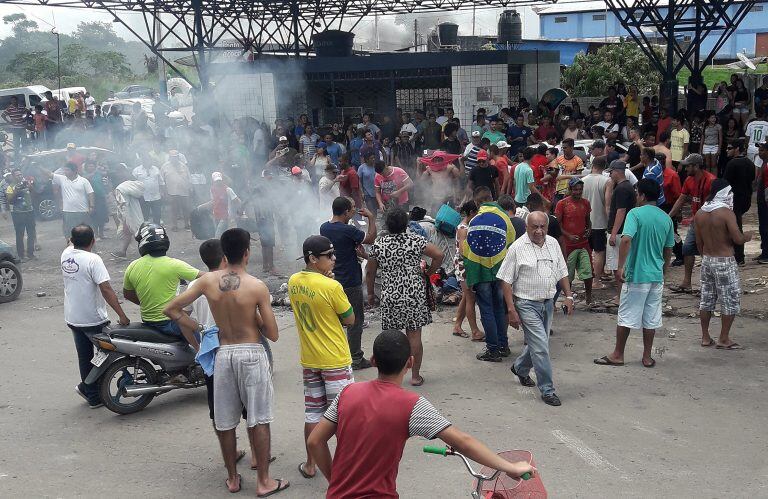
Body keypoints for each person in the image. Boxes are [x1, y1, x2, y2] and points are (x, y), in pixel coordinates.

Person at [306, 330, 536, 497]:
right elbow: (463, 442)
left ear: (374, 361)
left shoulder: (348, 392)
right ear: (410, 362)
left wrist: (335, 480)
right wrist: (511, 467)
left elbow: (315, 441)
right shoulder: (412, 405)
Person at [164, 228, 286, 496]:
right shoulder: (256, 286)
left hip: (223, 353)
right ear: (246, 253)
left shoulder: (207, 281)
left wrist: (200, 327)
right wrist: (253, 317)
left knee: (225, 421)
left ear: (224, 252)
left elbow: (170, 309)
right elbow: (273, 334)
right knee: (259, 419)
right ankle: (264, 481)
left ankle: (232, 478)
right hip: (251, 353)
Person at [287, 235, 357, 480]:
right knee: (343, 418)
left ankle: (311, 464)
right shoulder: (332, 287)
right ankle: (346, 469)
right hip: (335, 359)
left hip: (310, 360)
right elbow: (349, 319)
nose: (334, 259)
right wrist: (331, 285)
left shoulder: (293, 281)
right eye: (329, 256)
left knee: (313, 415)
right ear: (313, 259)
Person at [594, 179, 674, 368]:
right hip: (655, 275)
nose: (636, 197)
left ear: (643, 195)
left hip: (636, 274)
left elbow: (626, 240)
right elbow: (668, 248)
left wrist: (620, 266)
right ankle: (647, 357)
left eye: (637, 193)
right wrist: (664, 270)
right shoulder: (666, 218)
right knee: (651, 317)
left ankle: (618, 354)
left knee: (626, 315)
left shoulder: (635, 214)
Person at [498, 211, 574, 407]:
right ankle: (547, 390)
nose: (539, 231)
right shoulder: (517, 247)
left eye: (543, 227)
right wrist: (511, 310)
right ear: (527, 227)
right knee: (541, 347)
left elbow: (562, 271)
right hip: (526, 303)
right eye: (535, 227)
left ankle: (520, 368)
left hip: (548, 303)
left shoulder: (553, 244)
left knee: (540, 342)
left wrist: (569, 296)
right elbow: (505, 281)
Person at [366, 209, 444, 385]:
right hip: (413, 294)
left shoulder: (380, 244)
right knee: (414, 335)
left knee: (391, 338)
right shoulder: (415, 240)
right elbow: (439, 255)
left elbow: (370, 271)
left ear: (387, 225)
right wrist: (429, 272)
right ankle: (415, 376)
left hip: (390, 294)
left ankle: (390, 377)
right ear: (406, 225)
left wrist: (371, 293)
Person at [62, 225, 130, 409]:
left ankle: (91, 393)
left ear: (73, 240)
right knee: (109, 354)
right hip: (93, 319)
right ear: (93, 241)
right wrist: (122, 315)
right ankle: (90, 388)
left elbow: (70, 241)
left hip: (73, 317)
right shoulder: (93, 260)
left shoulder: (66, 254)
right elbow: (106, 289)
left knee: (85, 356)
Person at [123, 223, 203, 349]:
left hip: (148, 320)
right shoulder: (174, 264)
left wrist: (148, 303)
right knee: (205, 339)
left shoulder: (133, 266)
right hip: (169, 322)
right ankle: (203, 363)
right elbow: (207, 278)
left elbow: (127, 294)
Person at [320, 197, 377, 370]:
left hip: (332, 279)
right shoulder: (349, 230)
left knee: (334, 320)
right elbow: (371, 238)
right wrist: (371, 218)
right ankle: (356, 358)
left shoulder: (324, 227)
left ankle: (335, 355)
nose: (355, 210)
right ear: (345, 211)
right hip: (350, 281)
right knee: (355, 321)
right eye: (352, 208)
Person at [695, 181, 751, 350]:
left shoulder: (700, 213)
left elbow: (699, 242)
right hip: (724, 260)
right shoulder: (726, 213)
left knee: (706, 299)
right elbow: (737, 238)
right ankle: (724, 338)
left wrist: (706, 254)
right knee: (729, 299)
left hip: (707, 260)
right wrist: (747, 236)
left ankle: (705, 337)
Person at [463, 187, 516, 362]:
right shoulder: (504, 218)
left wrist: (470, 276)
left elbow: (469, 250)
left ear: (477, 203)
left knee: (486, 310)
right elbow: (511, 242)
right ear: (492, 198)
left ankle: (492, 350)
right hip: (501, 272)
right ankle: (503, 345)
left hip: (481, 272)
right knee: (500, 308)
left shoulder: (474, 221)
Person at [668, 154, 715, 293]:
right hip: (696, 221)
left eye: (688, 165)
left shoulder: (711, 181)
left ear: (696, 166)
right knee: (687, 249)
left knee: (707, 253)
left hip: (709, 222)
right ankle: (686, 283)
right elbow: (681, 200)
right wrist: (669, 216)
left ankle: (708, 286)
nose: (685, 168)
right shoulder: (689, 180)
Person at [555, 178, 593, 304]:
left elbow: (588, 220)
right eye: (575, 189)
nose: (578, 192)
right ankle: (568, 297)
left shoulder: (586, 203)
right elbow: (557, 224)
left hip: (583, 243)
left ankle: (589, 297)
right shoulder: (562, 204)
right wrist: (568, 235)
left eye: (580, 189)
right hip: (568, 244)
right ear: (570, 190)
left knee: (588, 272)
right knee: (568, 273)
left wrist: (589, 229)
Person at [451, 200, 484, 341]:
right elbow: (464, 251)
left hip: (462, 264)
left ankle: (457, 325)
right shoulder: (464, 228)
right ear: (472, 213)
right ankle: (475, 331)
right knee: (471, 298)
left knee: (466, 296)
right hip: (464, 265)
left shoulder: (465, 225)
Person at [605, 160, 636, 299]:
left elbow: (621, 211)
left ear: (617, 172)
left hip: (618, 232)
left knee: (618, 265)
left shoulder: (622, 188)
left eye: (611, 172)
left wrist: (613, 233)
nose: (610, 175)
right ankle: (623, 295)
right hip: (623, 230)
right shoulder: (627, 186)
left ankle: (621, 296)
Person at [724, 140, 755, 266]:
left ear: (737, 149)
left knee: (735, 227)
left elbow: (725, 183)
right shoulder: (749, 162)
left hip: (734, 199)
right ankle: (738, 256)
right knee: (736, 225)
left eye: (730, 148)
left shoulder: (732, 164)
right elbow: (752, 179)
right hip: (746, 199)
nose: (727, 150)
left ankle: (739, 257)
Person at [46, 162, 94, 243]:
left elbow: (90, 193)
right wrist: (38, 165)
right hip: (68, 211)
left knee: (87, 231)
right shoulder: (62, 179)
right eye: (65, 170)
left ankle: (92, 249)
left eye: (67, 170)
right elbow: (49, 174)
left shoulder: (83, 181)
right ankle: (71, 248)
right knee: (69, 232)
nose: (65, 172)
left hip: (82, 211)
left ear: (74, 170)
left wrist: (92, 206)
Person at [582, 156, 610, 286]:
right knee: (599, 252)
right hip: (600, 222)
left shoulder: (583, 180)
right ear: (604, 167)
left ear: (592, 165)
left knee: (587, 251)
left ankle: (587, 278)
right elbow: (607, 205)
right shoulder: (607, 181)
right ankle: (596, 281)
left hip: (585, 222)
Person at [5, 169, 36, 261]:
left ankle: (31, 254)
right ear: (13, 176)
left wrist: (30, 186)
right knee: (20, 234)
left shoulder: (26, 183)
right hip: (17, 214)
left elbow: (34, 193)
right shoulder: (10, 187)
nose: (20, 176)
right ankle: (21, 256)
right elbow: (9, 200)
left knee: (31, 233)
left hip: (29, 211)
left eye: (20, 174)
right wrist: (16, 191)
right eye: (17, 175)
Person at [199, 172, 241, 238]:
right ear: (213, 181)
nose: (218, 182)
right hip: (216, 215)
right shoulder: (212, 189)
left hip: (225, 216)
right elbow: (213, 201)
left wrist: (239, 212)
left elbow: (237, 200)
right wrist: (201, 206)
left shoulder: (228, 189)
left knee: (218, 236)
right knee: (223, 234)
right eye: (216, 181)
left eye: (219, 180)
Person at [161, 150, 192, 231]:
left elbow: (189, 177)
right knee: (174, 209)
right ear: (170, 158)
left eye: (176, 157)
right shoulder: (165, 166)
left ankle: (186, 224)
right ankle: (174, 225)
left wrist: (190, 187)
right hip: (171, 191)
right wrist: (164, 192)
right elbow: (161, 180)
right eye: (172, 157)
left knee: (185, 208)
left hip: (184, 190)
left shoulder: (183, 166)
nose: (174, 159)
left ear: (178, 157)